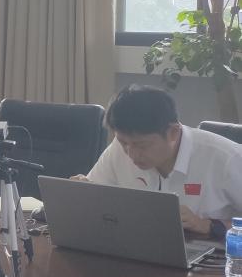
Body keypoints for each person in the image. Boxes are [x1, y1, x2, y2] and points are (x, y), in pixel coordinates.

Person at [72, 85, 242, 239]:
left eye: (142, 145)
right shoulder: (120, 148)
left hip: (211, 259)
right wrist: (81, 194)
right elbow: (97, 202)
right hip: (137, 247)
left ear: (173, 133)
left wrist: (209, 226)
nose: (131, 154)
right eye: (123, 142)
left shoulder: (228, 159)